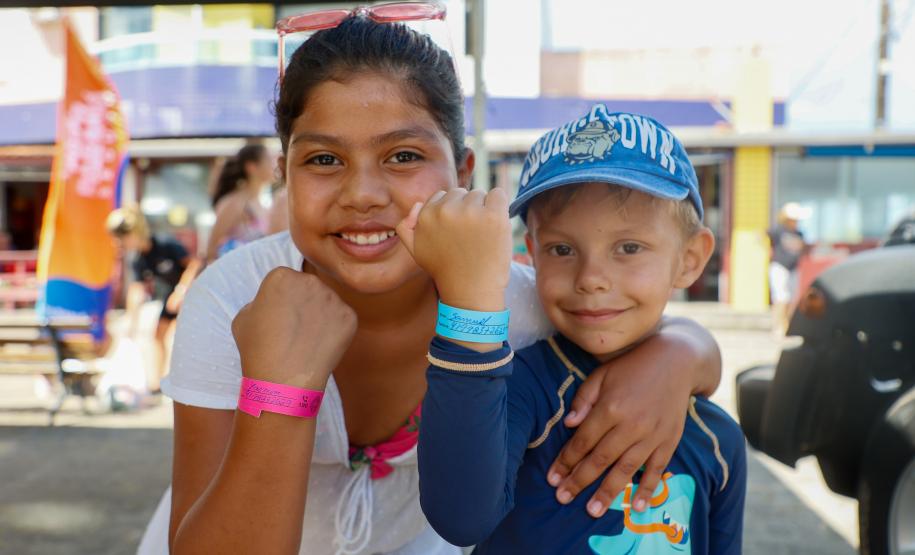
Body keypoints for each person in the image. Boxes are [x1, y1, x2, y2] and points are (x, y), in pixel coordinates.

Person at [140, 13, 723, 555]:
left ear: (463, 172)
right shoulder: (233, 298)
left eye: (403, 155)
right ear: (284, 175)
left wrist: (681, 354)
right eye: (323, 160)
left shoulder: (518, 304)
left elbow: (639, 325)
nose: (363, 193)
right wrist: (281, 387)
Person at [410, 108, 747, 554]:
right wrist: (465, 310)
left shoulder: (718, 438)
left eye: (628, 248)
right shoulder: (521, 387)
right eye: (562, 248)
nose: (591, 277)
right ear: (531, 251)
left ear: (690, 258)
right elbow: (460, 516)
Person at [106, 205, 201, 392]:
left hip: (193, 293)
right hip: (172, 296)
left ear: (133, 233)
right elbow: (136, 290)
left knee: (184, 338)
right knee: (158, 335)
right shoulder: (138, 259)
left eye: (121, 239)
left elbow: (194, 264)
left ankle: (187, 381)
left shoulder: (164, 243)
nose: (118, 244)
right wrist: (131, 322)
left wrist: (182, 291)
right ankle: (159, 382)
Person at [205, 143, 274, 262]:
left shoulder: (263, 203)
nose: (274, 165)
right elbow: (211, 249)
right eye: (269, 160)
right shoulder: (234, 203)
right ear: (251, 167)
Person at [768, 202, 810, 335]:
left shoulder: (799, 234)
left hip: (793, 268)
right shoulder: (778, 230)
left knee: (792, 299)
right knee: (780, 298)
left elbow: (803, 249)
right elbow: (764, 237)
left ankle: (788, 327)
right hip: (779, 267)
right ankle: (777, 327)